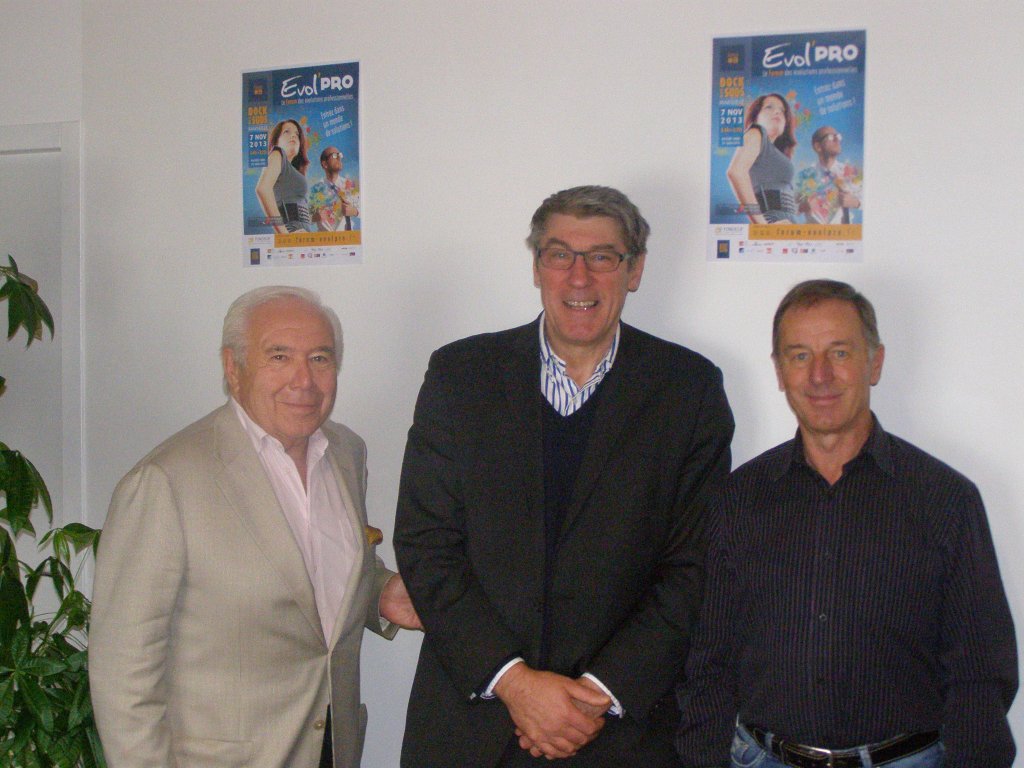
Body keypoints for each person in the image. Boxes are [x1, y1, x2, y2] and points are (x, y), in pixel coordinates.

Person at [394, 185, 735, 767]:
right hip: (471, 728)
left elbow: (695, 566)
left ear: (635, 270)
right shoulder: (459, 377)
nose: (580, 277)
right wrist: (516, 683)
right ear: (536, 266)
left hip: (620, 734)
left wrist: (593, 698)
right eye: (559, 254)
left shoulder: (688, 390)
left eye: (602, 256)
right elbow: (426, 545)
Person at [676, 279, 1017, 768]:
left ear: (874, 362)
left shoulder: (945, 500)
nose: (819, 376)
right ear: (779, 370)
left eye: (839, 353)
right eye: (799, 356)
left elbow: (979, 674)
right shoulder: (738, 499)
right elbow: (709, 661)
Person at [89, 286, 421, 768]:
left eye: (320, 358)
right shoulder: (164, 482)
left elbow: (314, 565)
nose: (303, 380)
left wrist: (381, 592)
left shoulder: (347, 453)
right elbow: (123, 675)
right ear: (232, 367)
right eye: (279, 356)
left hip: (333, 750)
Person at [726, 93, 797, 224]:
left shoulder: (774, 152)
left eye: (782, 110)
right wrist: (762, 226)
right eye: (769, 107)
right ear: (756, 116)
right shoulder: (756, 132)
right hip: (773, 223)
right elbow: (736, 172)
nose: (777, 111)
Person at [795, 126, 863, 224]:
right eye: (831, 137)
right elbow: (791, 207)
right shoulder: (804, 176)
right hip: (814, 235)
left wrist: (855, 202)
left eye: (838, 136)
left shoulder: (851, 173)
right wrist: (802, 206)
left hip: (843, 235)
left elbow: (870, 201)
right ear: (818, 146)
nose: (837, 140)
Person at [256, 118, 313, 233]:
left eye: (297, 134)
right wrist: (285, 235)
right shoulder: (278, 153)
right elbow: (263, 189)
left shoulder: (292, 171)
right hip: (293, 234)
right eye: (287, 132)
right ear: (276, 140)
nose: (293, 136)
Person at [309, 146, 360, 232]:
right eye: (335, 156)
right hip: (324, 240)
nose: (339, 158)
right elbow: (307, 218)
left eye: (340, 155)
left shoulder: (350, 185)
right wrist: (316, 216)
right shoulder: (316, 189)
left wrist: (354, 211)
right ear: (324, 164)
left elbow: (365, 210)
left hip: (346, 239)